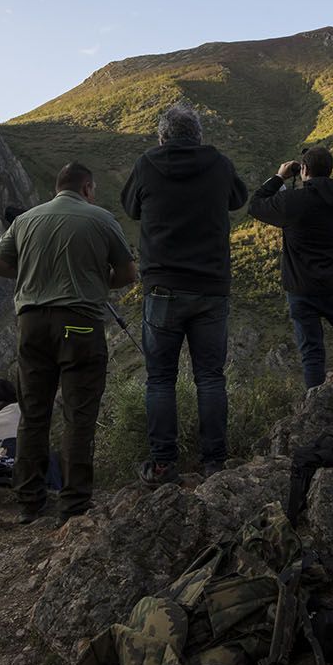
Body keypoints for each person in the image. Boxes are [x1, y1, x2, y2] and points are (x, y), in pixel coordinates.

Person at [0, 162, 137, 526]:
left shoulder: (26, 221)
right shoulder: (101, 219)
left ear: (57, 187)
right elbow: (129, 273)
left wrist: (27, 276)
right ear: (87, 187)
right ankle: (73, 504)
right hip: (80, 325)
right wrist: (97, 283)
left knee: (33, 413)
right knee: (79, 416)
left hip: (33, 324)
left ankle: (28, 501)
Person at [121, 102, 248, 485]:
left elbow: (130, 207)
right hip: (210, 286)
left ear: (162, 137)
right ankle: (214, 463)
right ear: (198, 136)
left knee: (160, 379)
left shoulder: (147, 164)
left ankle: (163, 465)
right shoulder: (220, 164)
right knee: (210, 377)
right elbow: (238, 199)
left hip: (162, 287)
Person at [247, 145, 333, 389]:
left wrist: (280, 177)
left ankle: (315, 408)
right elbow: (319, 195)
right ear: (329, 171)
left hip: (301, 288)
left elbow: (255, 205)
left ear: (305, 169)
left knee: (312, 355)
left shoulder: (292, 201)